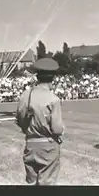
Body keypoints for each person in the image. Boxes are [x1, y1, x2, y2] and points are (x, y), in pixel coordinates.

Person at [16, 58, 64, 186]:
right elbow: (57, 129)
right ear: (53, 77)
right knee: (46, 184)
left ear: (37, 76)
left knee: (31, 183)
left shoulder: (25, 95)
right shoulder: (53, 99)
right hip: (47, 146)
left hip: (30, 144)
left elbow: (20, 120)